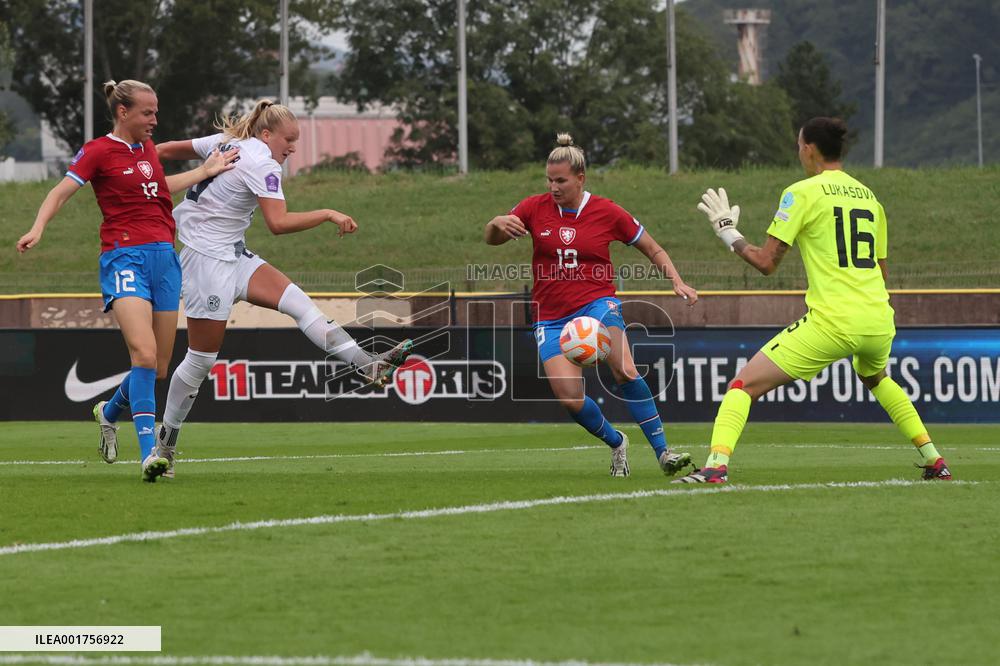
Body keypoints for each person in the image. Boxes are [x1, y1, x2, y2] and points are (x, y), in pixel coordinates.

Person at [675, 117, 951, 484]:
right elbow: (881, 272)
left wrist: (728, 232)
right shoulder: (870, 198)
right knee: (876, 377)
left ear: (808, 149)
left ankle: (715, 467)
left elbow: (766, 263)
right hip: (879, 318)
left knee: (742, 386)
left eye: (798, 145)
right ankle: (935, 460)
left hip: (834, 321)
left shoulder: (801, 193)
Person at [153, 99, 412, 478]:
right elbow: (278, 223)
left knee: (300, 305)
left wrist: (139, 170)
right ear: (265, 134)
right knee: (201, 360)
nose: (292, 148)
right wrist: (328, 213)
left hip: (234, 253)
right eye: (288, 140)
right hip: (206, 261)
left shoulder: (225, 142)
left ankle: (368, 364)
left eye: (296, 140)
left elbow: (161, 151)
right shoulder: (262, 162)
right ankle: (165, 443)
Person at [16, 79, 238, 482]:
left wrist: (205, 171)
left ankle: (109, 411)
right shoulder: (98, 151)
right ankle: (149, 454)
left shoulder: (147, 150)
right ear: (123, 112)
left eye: (155, 112)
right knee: (144, 355)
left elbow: (157, 189)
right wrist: (38, 227)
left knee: (158, 368)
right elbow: (60, 192)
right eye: (147, 113)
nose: (155, 120)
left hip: (164, 260)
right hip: (124, 257)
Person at [485, 134, 698, 477]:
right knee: (569, 398)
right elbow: (491, 239)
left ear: (580, 178)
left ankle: (663, 452)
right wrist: (496, 223)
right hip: (551, 317)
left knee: (624, 369)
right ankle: (617, 442)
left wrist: (676, 279)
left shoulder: (607, 211)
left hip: (596, 304)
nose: (553, 187)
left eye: (561, 180)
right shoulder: (533, 208)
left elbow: (652, 248)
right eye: (549, 180)